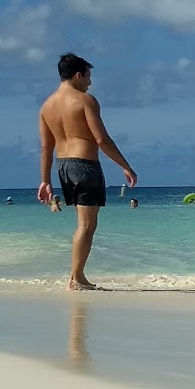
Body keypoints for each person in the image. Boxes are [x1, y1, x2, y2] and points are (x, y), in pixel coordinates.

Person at [37, 52, 137, 290]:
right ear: (78, 75)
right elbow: (101, 139)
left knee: (82, 224)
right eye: (89, 76)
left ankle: (76, 276)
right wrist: (125, 165)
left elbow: (46, 147)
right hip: (84, 165)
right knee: (87, 225)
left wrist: (45, 180)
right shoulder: (85, 101)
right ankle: (77, 278)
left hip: (63, 166)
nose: (90, 82)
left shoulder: (46, 106)